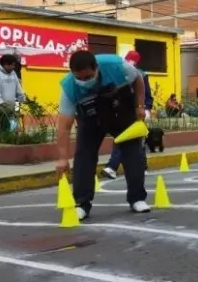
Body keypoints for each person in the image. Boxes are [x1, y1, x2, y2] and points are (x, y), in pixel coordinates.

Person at [56, 50, 149, 220]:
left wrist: (139, 106)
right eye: (79, 79)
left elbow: (138, 80)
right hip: (91, 119)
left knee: (134, 154)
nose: (84, 82)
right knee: (84, 156)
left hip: (121, 112)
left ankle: (137, 198)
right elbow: (64, 126)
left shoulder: (117, 67)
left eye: (88, 77)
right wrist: (62, 158)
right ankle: (82, 204)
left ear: (97, 68)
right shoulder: (69, 87)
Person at [103, 50, 153, 180]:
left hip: (137, 111)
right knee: (127, 139)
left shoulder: (141, 74)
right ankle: (141, 166)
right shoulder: (119, 72)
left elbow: (146, 93)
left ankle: (113, 167)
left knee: (133, 139)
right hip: (123, 112)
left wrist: (145, 108)